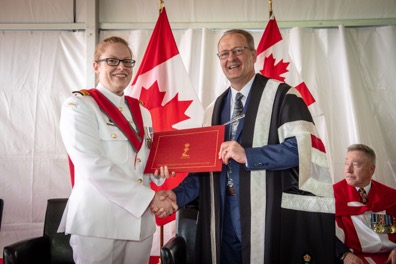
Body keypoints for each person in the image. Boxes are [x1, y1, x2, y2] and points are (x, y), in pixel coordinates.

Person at [156, 29, 335, 263]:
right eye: (224, 53)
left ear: (254, 54)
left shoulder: (283, 96)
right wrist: (176, 196)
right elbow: (203, 171)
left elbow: (303, 150)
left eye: (238, 50)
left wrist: (248, 155)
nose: (231, 58)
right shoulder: (213, 110)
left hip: (268, 214)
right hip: (221, 216)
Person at [58, 36, 177, 264]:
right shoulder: (79, 106)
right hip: (99, 224)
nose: (121, 67)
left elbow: (143, 164)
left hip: (139, 224)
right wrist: (151, 198)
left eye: (127, 61)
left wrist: (158, 174)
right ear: (96, 66)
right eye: (112, 60)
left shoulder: (142, 111)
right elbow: (94, 167)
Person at [334, 144, 396, 264]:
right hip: (353, 258)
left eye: (355, 165)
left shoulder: (390, 196)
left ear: (371, 169)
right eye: (346, 163)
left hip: (390, 256)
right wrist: (343, 254)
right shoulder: (331, 196)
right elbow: (321, 232)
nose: (348, 170)